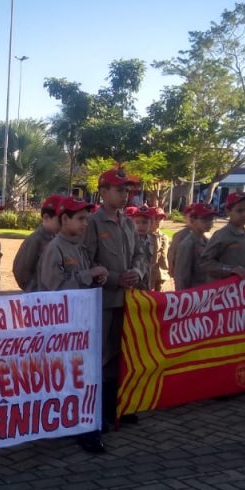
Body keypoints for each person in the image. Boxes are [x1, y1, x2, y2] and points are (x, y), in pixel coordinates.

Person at [81, 167, 149, 448]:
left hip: (127, 300)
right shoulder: (92, 223)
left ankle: (113, 407)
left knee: (121, 353)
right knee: (98, 357)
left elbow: (140, 254)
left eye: (127, 190)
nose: (125, 195)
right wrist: (112, 277)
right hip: (102, 301)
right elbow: (87, 261)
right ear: (103, 191)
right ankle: (92, 415)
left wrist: (137, 272)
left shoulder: (127, 223)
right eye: (120, 190)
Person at [37, 196, 108, 291]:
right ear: (65, 219)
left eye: (86, 219)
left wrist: (97, 277)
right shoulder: (55, 248)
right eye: (81, 218)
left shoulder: (80, 246)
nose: (86, 223)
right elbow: (56, 287)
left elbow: (84, 280)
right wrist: (90, 274)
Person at [201, 192, 245, 281]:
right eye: (239, 211)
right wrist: (230, 269)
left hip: (243, 287)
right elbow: (205, 263)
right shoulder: (222, 235)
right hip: (227, 287)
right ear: (228, 211)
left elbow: (244, 265)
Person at [12, 194, 65, 292]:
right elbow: (20, 270)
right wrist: (34, 289)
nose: (63, 224)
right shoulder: (35, 240)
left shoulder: (57, 238)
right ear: (46, 217)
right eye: (60, 220)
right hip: (38, 296)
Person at [173, 203, 217, 290]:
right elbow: (181, 277)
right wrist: (184, 296)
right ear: (193, 220)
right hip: (194, 293)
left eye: (211, 219)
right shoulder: (187, 244)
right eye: (204, 219)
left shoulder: (207, 241)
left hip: (206, 291)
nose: (209, 223)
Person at [129, 206, 154, 290]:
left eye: (144, 222)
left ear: (151, 224)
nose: (140, 226)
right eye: (137, 222)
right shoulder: (129, 240)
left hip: (146, 283)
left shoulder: (151, 240)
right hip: (133, 285)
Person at [167, 206, 193, 279]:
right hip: (183, 271)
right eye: (191, 216)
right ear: (185, 218)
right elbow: (171, 253)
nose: (193, 219)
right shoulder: (179, 235)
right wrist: (171, 268)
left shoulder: (206, 235)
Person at [149, 207, 171, 291]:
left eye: (161, 219)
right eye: (156, 218)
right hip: (148, 272)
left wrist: (167, 268)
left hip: (161, 272)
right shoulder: (144, 236)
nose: (158, 221)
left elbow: (165, 255)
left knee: (160, 292)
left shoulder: (164, 237)